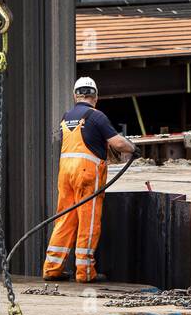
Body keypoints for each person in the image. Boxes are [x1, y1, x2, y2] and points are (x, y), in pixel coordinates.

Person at [42, 77, 136, 282]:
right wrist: (133, 148)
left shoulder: (66, 117)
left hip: (65, 174)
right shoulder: (96, 116)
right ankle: (84, 272)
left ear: (76, 95)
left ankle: (52, 268)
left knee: (65, 218)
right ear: (95, 97)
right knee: (89, 221)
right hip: (86, 174)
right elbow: (117, 143)